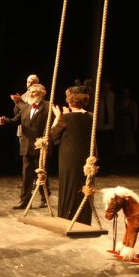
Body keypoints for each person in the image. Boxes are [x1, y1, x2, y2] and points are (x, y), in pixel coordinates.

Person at [0, 83, 51, 209]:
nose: (31, 94)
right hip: (26, 146)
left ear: (42, 94)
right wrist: (5, 120)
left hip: (40, 145)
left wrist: (45, 140)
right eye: (30, 92)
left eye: (34, 92)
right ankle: (24, 201)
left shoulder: (48, 106)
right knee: (26, 174)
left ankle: (44, 198)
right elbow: (15, 121)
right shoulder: (26, 107)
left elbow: (50, 125)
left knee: (41, 173)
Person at [51, 86, 93, 224]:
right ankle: (83, 218)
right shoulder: (91, 116)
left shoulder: (66, 118)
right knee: (83, 184)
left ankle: (67, 219)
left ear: (69, 101)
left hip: (69, 157)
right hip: (86, 157)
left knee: (69, 185)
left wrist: (58, 117)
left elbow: (52, 134)